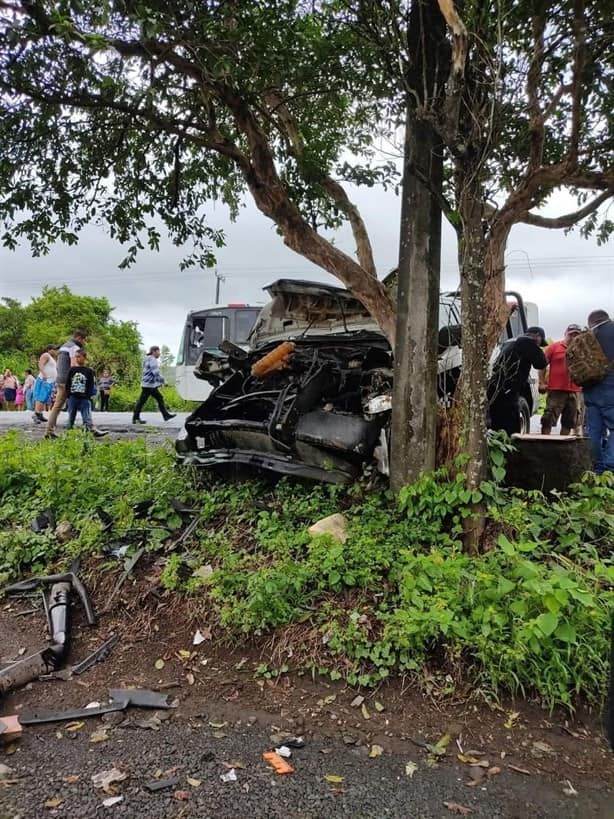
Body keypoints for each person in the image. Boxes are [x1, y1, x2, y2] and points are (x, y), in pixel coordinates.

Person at [488, 326, 548, 436]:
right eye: (540, 343)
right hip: (508, 389)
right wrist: (536, 346)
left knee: (496, 423)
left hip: (495, 387)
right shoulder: (526, 341)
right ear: (538, 336)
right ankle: (511, 449)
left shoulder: (510, 342)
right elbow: (541, 363)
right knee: (511, 425)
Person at [583, 309, 614, 474]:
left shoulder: (585, 336)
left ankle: (596, 468)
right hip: (611, 386)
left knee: (593, 431)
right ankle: (611, 468)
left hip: (590, 388)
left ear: (591, 322)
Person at [539, 324, 582, 435]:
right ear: (565, 334)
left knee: (569, 422)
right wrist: (541, 382)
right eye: (571, 334)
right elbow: (542, 365)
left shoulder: (582, 349)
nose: (573, 337)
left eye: (576, 335)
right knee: (548, 419)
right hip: (556, 390)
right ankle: (544, 443)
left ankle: (562, 446)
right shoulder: (554, 347)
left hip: (574, 391)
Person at [45, 329, 88, 437]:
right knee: (84, 401)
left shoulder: (64, 346)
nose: (85, 343)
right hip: (68, 380)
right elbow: (74, 364)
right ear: (79, 338)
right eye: (84, 340)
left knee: (57, 406)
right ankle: (89, 427)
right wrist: (84, 373)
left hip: (60, 378)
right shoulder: (74, 347)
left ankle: (49, 431)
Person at [132, 346, 176, 424]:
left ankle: (166, 415)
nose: (159, 354)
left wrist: (158, 383)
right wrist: (164, 382)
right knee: (141, 401)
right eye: (158, 352)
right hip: (148, 385)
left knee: (159, 397)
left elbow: (150, 373)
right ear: (154, 352)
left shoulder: (147, 358)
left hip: (150, 385)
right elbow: (156, 373)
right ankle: (135, 418)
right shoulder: (152, 359)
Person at [65, 348, 95, 431]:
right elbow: (68, 383)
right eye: (75, 357)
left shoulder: (88, 371)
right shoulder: (72, 370)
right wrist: (68, 395)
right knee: (71, 416)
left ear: (84, 357)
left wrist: (88, 396)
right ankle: (69, 431)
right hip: (73, 396)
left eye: (79, 356)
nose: (77, 358)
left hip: (84, 397)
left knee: (86, 416)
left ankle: (87, 430)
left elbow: (90, 384)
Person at [33, 345, 58, 423]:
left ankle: (40, 414)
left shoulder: (52, 358)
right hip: (44, 379)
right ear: (50, 350)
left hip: (50, 381)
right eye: (54, 349)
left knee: (44, 398)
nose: (55, 351)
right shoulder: (46, 355)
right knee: (41, 397)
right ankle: (36, 414)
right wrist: (44, 374)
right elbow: (41, 364)